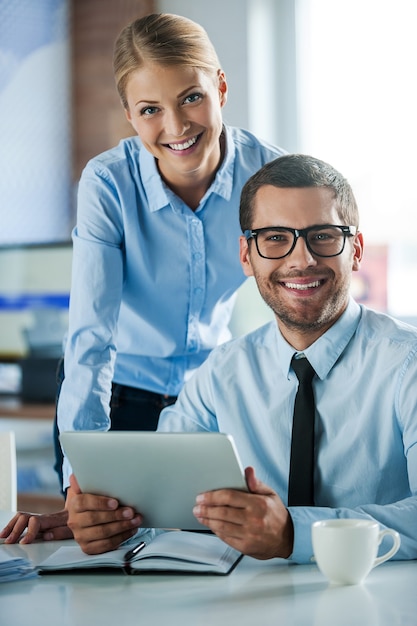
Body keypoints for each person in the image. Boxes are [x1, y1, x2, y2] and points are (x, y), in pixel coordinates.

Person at [0, 12, 286, 544]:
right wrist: (80, 482)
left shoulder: (269, 176)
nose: (176, 127)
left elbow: (293, 301)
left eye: (191, 98)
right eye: (151, 109)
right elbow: (90, 337)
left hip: (207, 397)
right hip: (114, 396)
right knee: (106, 546)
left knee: (209, 544)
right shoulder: (108, 183)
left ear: (220, 86)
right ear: (130, 115)